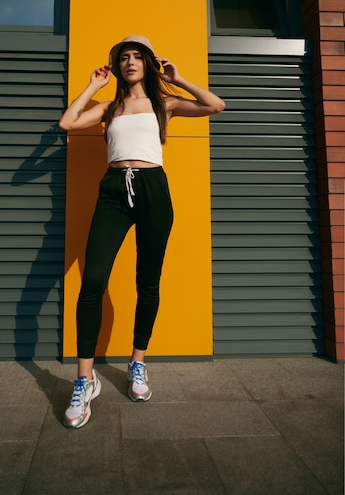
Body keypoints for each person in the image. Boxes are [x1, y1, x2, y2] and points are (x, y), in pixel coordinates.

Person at [59, 35, 225, 428]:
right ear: (116, 67)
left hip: (153, 190)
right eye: (123, 58)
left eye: (137, 57)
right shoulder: (108, 107)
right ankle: (85, 379)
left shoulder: (163, 104)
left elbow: (216, 104)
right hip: (114, 191)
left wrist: (179, 78)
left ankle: (138, 363)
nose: (130, 62)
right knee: (92, 281)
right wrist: (92, 86)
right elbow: (67, 122)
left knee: (147, 282)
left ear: (149, 64)